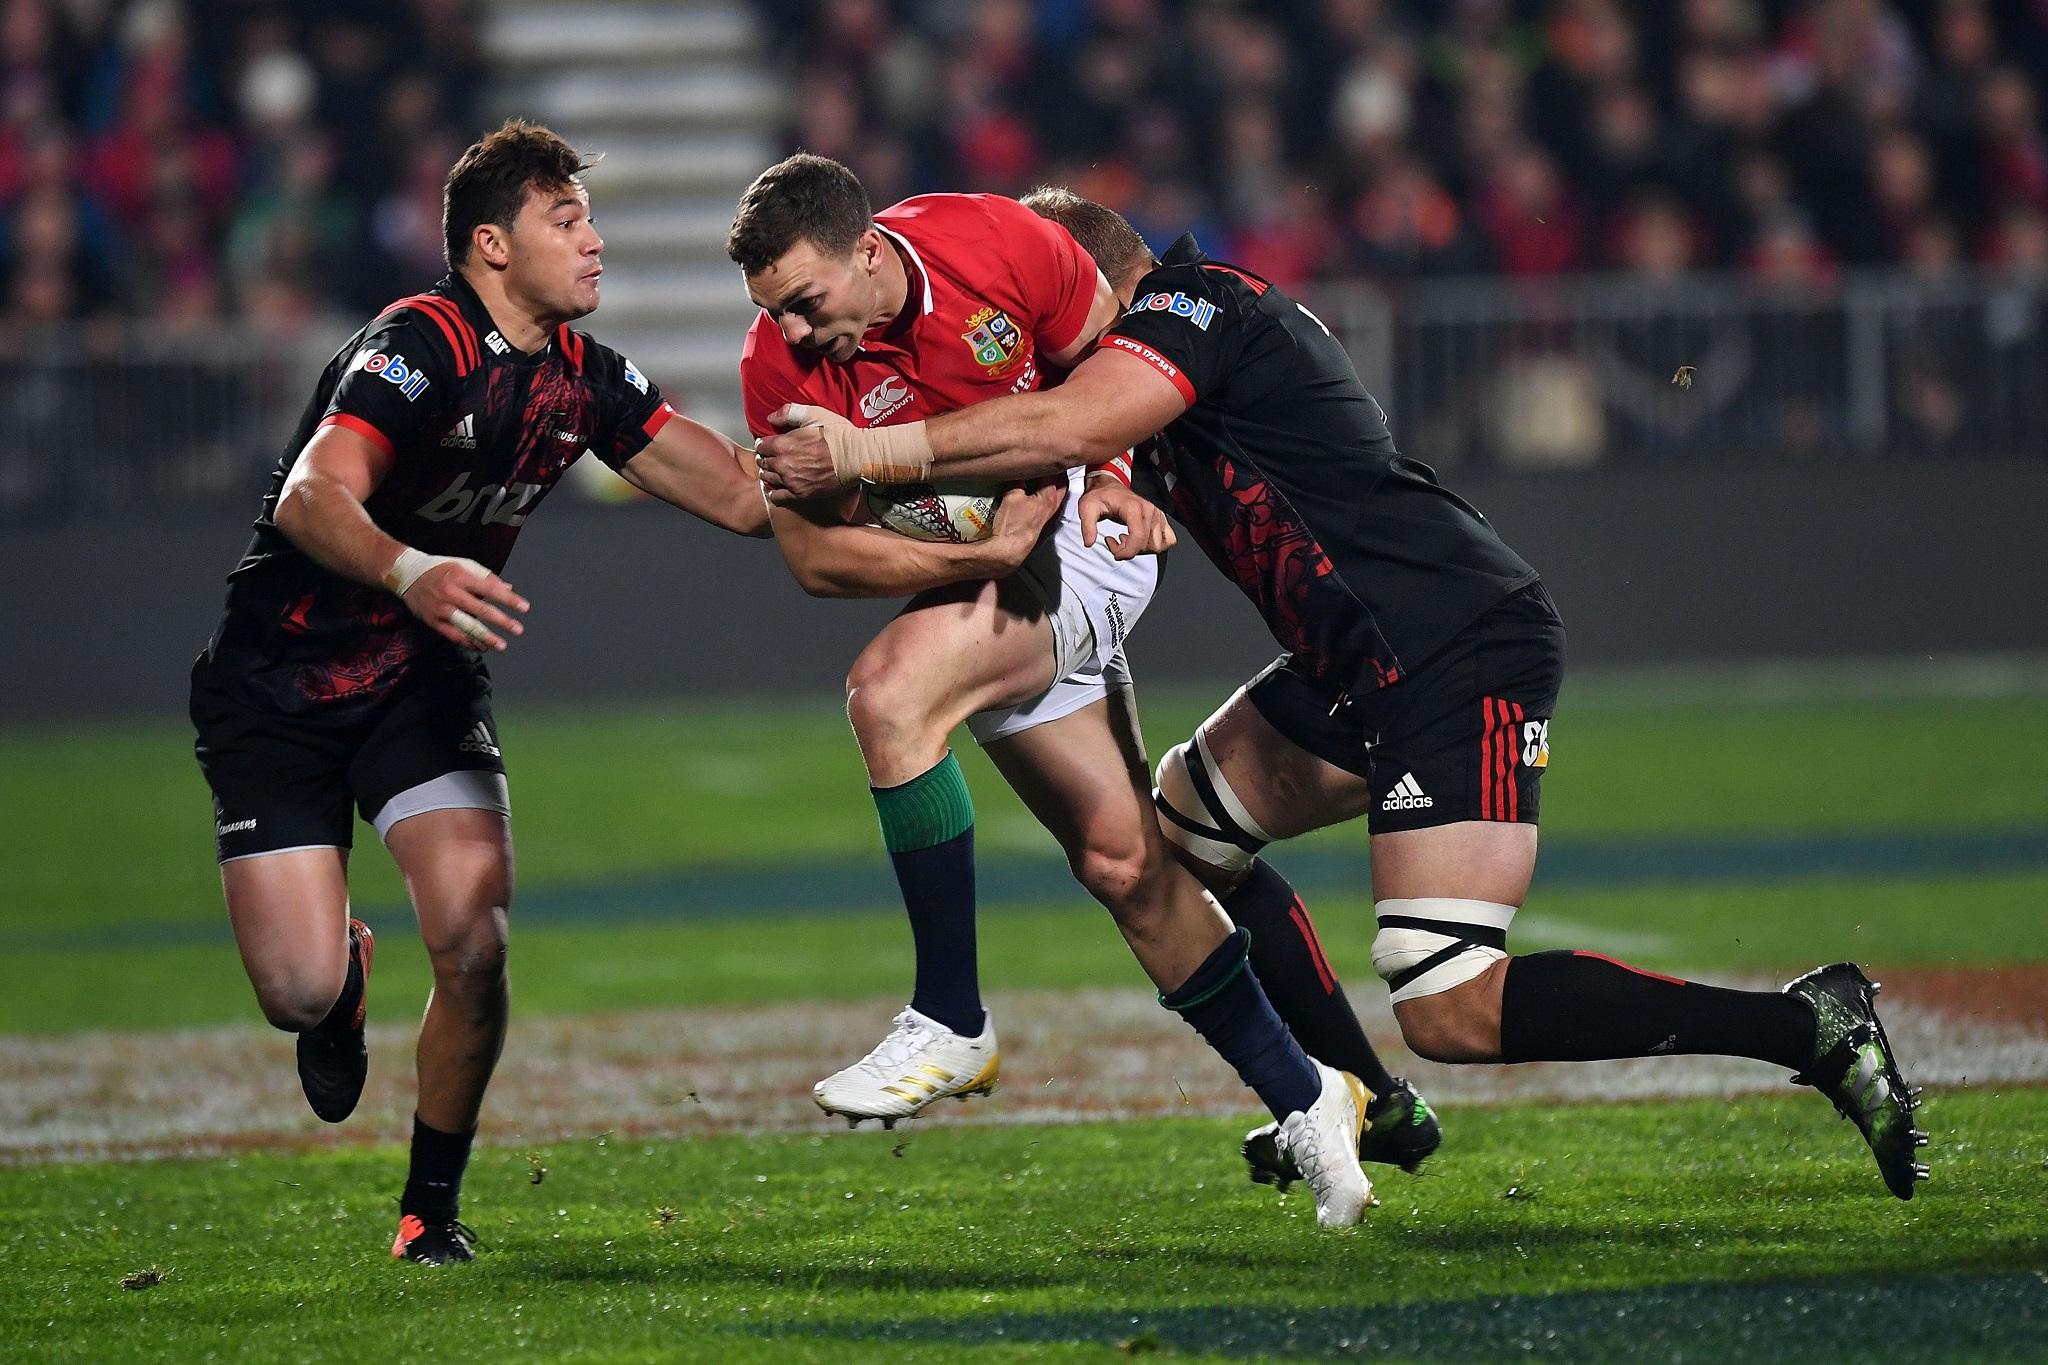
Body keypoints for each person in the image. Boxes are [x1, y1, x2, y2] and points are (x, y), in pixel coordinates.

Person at [756, 193, 1930, 1202]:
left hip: (1449, 642)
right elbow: (1080, 441)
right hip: (1348, 661)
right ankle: (1360, 1099)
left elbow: (1074, 416)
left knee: (1448, 997)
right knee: (1182, 833)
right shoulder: (1147, 355)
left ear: (1085, 280)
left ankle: (1805, 1027)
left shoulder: (1193, 305)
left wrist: (870, 458)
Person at [730, 155, 1376, 1227]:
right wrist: (971, 565)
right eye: (771, 313)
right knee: (1125, 864)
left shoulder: (998, 241)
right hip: (995, 568)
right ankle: (1315, 1103)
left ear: (869, 251)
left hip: (1083, 536)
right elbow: (816, 563)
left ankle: (950, 1017)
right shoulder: (776, 365)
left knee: (890, 694)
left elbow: (1114, 370)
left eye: (805, 303)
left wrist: (1118, 481)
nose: (792, 335)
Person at [189, 119, 772, 1266]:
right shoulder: (418, 344)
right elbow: (311, 497)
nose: (596, 243)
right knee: (294, 993)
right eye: (570, 222)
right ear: (492, 246)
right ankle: (342, 979)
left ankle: (429, 1208)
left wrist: (885, 465)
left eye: (591, 218)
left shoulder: (585, 381)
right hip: (277, 687)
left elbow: (743, 499)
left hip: (421, 679)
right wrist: (411, 569)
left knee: (474, 937)